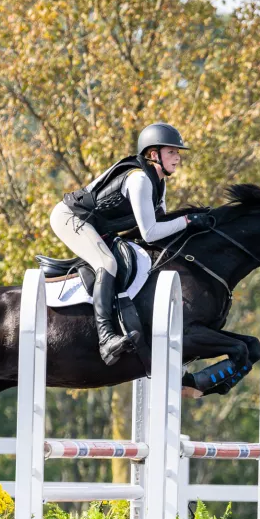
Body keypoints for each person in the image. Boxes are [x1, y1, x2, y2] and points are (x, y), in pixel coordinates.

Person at [50, 123, 210, 365]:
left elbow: (161, 226)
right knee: (107, 262)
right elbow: (150, 232)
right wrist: (188, 220)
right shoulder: (140, 180)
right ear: (153, 154)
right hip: (70, 218)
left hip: (97, 226)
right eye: (172, 152)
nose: (177, 158)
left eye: (178, 153)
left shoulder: (159, 183)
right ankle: (106, 339)